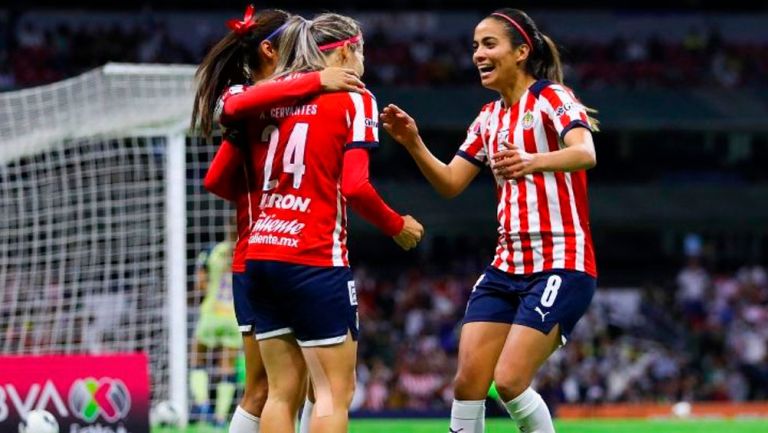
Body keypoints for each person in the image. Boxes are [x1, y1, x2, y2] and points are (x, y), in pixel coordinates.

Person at [381, 8, 598, 433]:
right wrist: (413, 142)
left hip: (561, 262)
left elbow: (585, 152)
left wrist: (532, 160)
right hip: (505, 267)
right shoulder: (488, 117)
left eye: (489, 44)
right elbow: (450, 182)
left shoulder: (552, 97)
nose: (478, 53)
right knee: (467, 385)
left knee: (511, 381)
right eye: (475, 46)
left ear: (521, 52)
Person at [235, 13, 424, 433]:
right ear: (345, 50)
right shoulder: (355, 98)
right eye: (361, 52)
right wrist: (397, 226)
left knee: (281, 393)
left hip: (261, 253)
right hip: (314, 255)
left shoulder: (270, 97)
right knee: (331, 393)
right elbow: (355, 186)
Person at [191, 5, 365, 433]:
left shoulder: (263, 108)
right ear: (270, 49)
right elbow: (217, 173)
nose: (305, 52)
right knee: (281, 390)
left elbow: (216, 180)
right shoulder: (250, 99)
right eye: (295, 43)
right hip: (283, 254)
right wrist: (316, 81)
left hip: (256, 257)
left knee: (284, 389)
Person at [189, 234, 240, 427]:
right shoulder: (246, 250)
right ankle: (220, 417)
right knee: (227, 366)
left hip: (212, 313)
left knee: (197, 358)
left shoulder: (211, 251)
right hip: (234, 316)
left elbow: (200, 283)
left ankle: (202, 404)